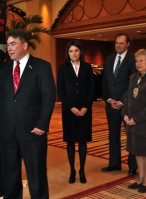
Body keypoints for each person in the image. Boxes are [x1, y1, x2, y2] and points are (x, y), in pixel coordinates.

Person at [0, 29, 56, 198]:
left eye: (13, 44)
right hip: (8, 132)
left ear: (25, 45)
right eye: (8, 45)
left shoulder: (41, 66)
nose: (9, 48)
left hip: (33, 131)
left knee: (36, 175)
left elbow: (49, 97)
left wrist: (42, 124)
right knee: (11, 175)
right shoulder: (5, 67)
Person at [57, 40, 95, 184]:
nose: (74, 53)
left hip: (85, 110)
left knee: (83, 142)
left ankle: (82, 171)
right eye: (71, 51)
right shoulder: (62, 68)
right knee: (71, 142)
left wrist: (86, 107)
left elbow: (92, 89)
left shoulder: (87, 67)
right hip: (69, 111)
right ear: (68, 53)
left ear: (81, 52)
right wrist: (71, 107)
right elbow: (60, 91)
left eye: (76, 50)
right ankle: (72, 170)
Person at [123, 49, 146, 193]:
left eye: (141, 60)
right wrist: (125, 114)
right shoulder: (133, 77)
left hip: (145, 123)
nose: (138, 63)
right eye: (137, 60)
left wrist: (136, 120)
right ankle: (140, 179)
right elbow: (128, 98)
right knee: (138, 152)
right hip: (132, 123)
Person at [101, 33, 137, 175]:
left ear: (128, 44)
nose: (118, 45)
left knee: (130, 136)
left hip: (127, 106)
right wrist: (108, 99)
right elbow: (104, 82)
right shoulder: (109, 59)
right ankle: (114, 164)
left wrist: (123, 101)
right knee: (113, 135)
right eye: (116, 43)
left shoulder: (133, 59)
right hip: (111, 105)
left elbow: (133, 84)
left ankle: (133, 166)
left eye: (121, 43)